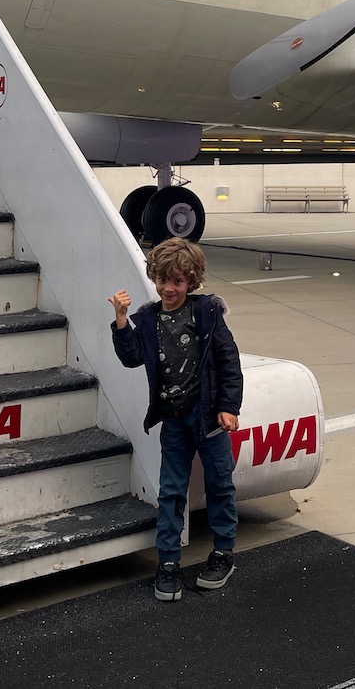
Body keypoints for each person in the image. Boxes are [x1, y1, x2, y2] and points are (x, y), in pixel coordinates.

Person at [110, 238, 243, 602]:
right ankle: (168, 562)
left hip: (210, 420)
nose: (169, 289)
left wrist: (229, 407)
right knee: (171, 491)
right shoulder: (149, 318)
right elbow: (132, 357)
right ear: (154, 278)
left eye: (179, 282)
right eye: (163, 281)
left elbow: (229, 364)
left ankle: (223, 553)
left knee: (220, 485)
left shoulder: (208, 314)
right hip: (173, 420)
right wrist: (121, 322)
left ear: (192, 282)